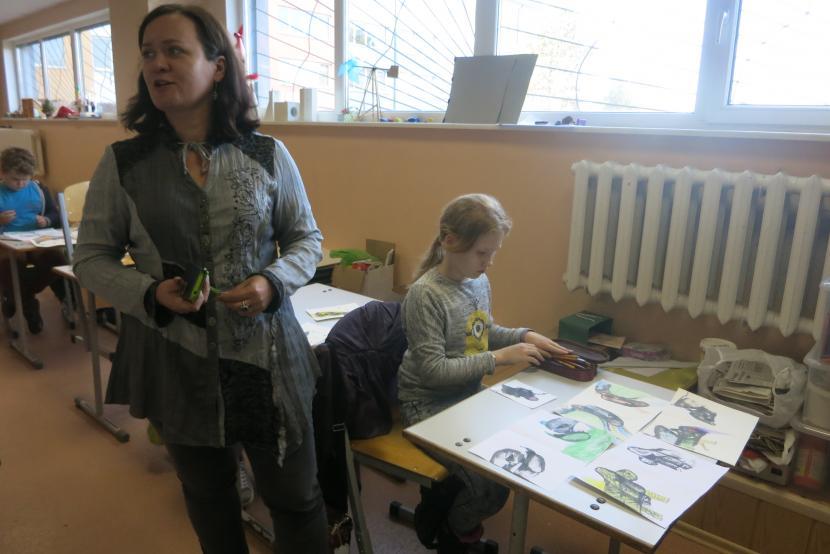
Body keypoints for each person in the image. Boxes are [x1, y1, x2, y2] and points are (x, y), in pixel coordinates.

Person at [73, 5, 327, 553]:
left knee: (295, 499)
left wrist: (271, 283)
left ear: (217, 66)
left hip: (263, 357)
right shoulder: (124, 162)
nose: (157, 64)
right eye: (148, 53)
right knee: (209, 496)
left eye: (174, 50)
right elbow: (90, 257)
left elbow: (307, 240)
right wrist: (147, 293)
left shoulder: (267, 154)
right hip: (176, 358)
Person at [397, 193, 568, 553]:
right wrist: (500, 358)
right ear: (449, 241)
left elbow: (482, 332)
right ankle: (447, 528)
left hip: (466, 397)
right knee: (488, 485)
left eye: (493, 253)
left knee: (515, 458)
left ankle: (453, 513)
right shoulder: (426, 295)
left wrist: (523, 336)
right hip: (426, 406)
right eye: (481, 253)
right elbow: (433, 371)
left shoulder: (477, 282)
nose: (488, 263)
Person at [0, 146, 66, 333]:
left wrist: (47, 220)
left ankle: (16, 298)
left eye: (25, 179)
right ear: (2, 173)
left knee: (57, 259)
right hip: (5, 243)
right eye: (15, 179)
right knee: (10, 266)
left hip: (37, 240)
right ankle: (30, 308)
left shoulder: (38, 189)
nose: (21, 184)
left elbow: (54, 214)